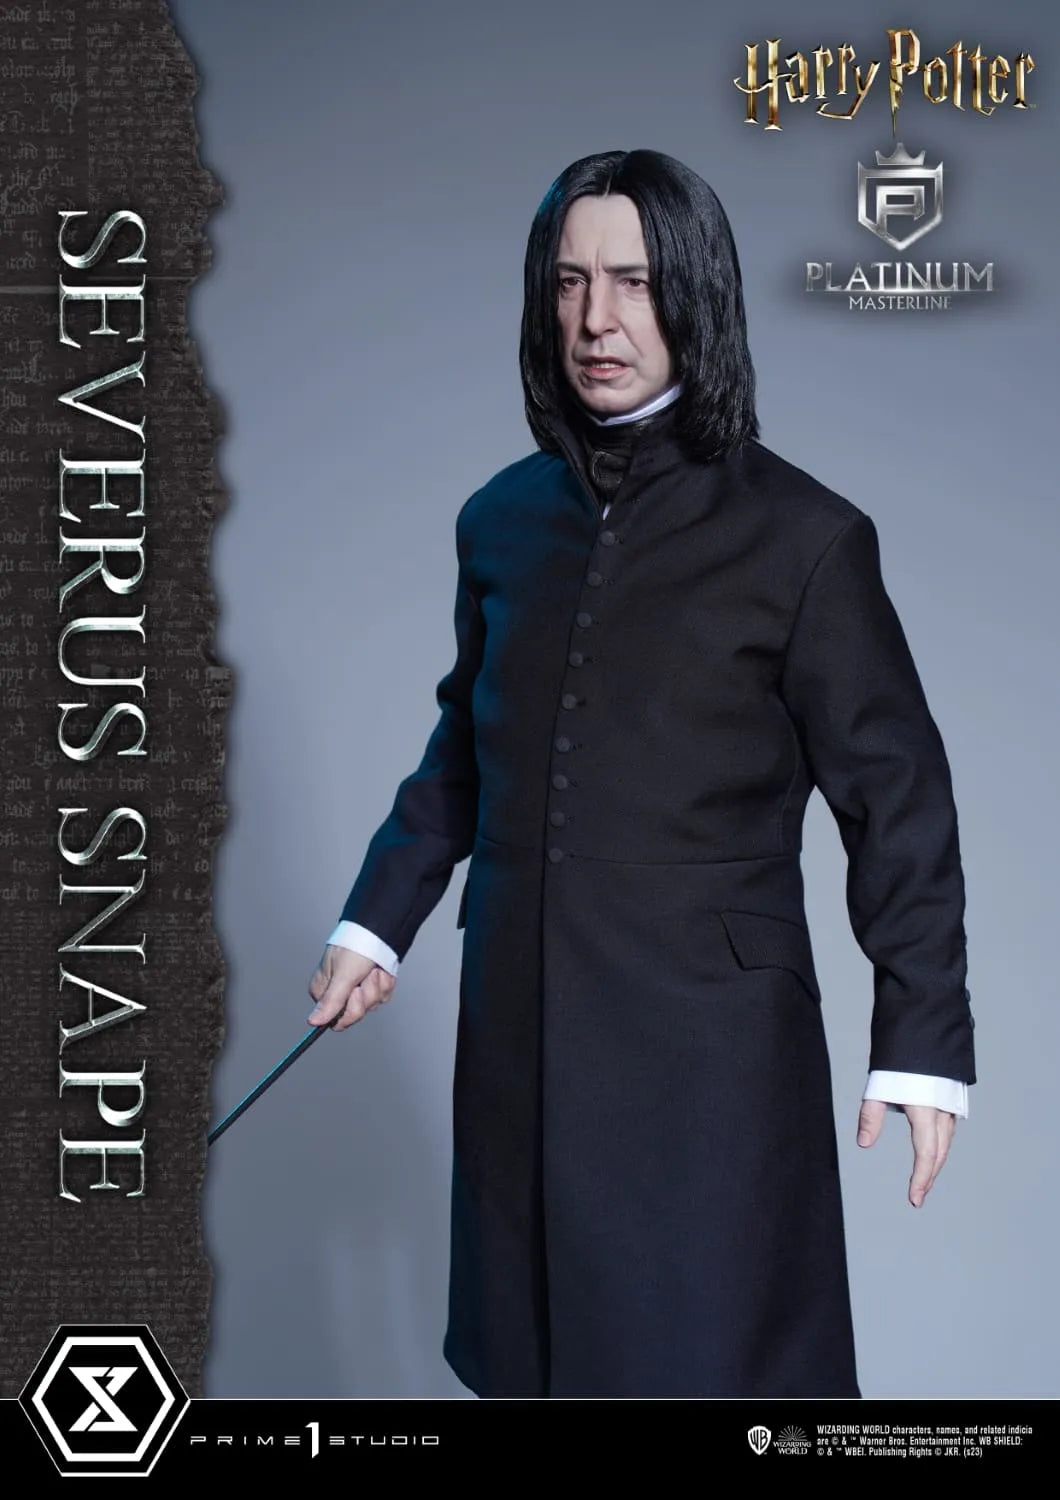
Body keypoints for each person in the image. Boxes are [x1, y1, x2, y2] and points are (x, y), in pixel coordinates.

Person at [306, 149, 975, 1399]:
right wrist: (376, 921)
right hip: (521, 1031)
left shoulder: (806, 538)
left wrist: (920, 1038)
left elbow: (898, 798)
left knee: (701, 1364)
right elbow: (469, 741)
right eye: (569, 282)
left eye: (632, 281)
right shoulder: (499, 520)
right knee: (533, 1362)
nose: (596, 320)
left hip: (708, 1054)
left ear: (696, 294)